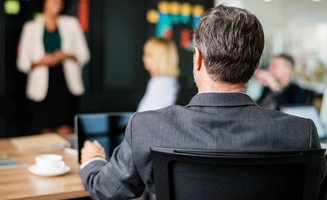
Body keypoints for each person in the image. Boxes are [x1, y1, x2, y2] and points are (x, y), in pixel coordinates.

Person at [79, 5, 326, 199]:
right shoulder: (301, 133)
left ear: (197, 59)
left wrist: (93, 161)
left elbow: (106, 191)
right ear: (256, 64)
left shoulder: (147, 128)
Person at [17, 0, 90, 136]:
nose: (57, 3)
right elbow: (22, 63)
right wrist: (41, 61)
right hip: (41, 88)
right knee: (45, 132)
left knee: (66, 131)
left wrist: (65, 55)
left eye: (60, 1)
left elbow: (84, 55)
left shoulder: (71, 24)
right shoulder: (31, 27)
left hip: (66, 85)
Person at [137, 37, 180, 112]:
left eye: (148, 54)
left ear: (158, 58)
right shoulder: (169, 82)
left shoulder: (160, 83)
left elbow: (142, 117)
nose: (143, 58)